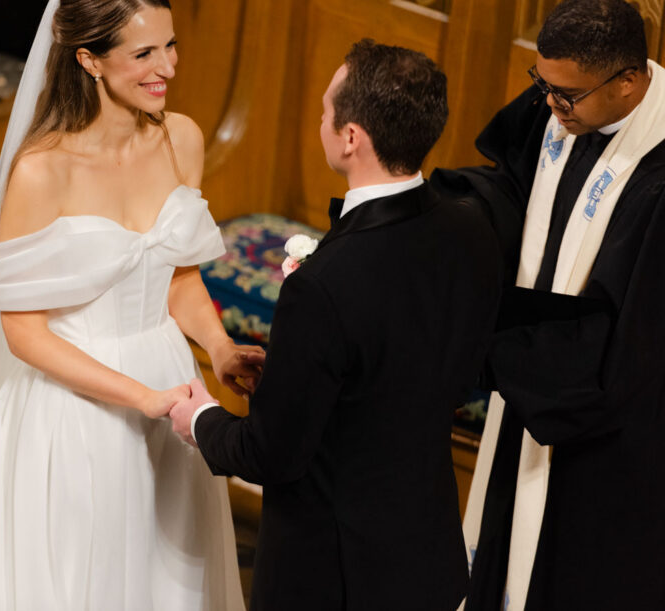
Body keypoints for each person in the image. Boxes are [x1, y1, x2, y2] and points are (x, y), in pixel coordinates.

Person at [0, 0, 262, 610]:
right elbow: (24, 333)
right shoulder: (40, 172)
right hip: (77, 410)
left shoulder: (182, 139)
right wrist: (142, 397)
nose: (166, 66)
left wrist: (217, 349)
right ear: (90, 60)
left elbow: (177, 272)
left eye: (170, 45)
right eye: (143, 53)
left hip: (171, 390)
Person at [169, 39, 503, 611]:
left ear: (350, 138)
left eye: (327, 111)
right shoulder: (471, 229)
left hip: (334, 573)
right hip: (424, 552)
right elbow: (423, 361)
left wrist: (198, 418)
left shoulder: (323, 287)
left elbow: (269, 455)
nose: (321, 120)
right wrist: (307, 375)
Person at [430, 0, 665, 611]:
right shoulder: (559, 109)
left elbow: (640, 322)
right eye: (543, 85)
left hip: (609, 417)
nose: (551, 106)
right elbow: (511, 190)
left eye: (567, 94)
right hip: (531, 380)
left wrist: (521, 356)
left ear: (629, 81)